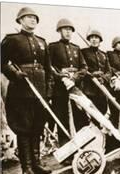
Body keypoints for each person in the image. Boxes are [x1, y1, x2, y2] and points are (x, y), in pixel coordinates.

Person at [1, 7, 52, 174]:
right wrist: (14, 74)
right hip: (21, 92)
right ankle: (27, 168)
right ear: (20, 20)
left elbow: (48, 68)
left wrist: (48, 90)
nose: (32, 20)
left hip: (40, 91)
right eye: (28, 17)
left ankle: (37, 163)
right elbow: (0, 61)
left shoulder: (42, 41)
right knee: (24, 128)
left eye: (34, 18)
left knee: (38, 126)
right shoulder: (12, 40)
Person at [49, 18, 89, 147]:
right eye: (65, 29)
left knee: (80, 116)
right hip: (60, 89)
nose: (68, 32)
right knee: (62, 117)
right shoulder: (53, 47)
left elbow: (84, 67)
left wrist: (76, 76)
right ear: (59, 31)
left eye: (70, 30)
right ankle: (67, 148)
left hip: (76, 87)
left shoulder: (76, 48)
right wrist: (60, 75)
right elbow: (49, 66)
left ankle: (84, 144)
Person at [81, 30, 111, 115]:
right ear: (89, 40)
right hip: (89, 90)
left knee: (102, 112)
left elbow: (109, 71)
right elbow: (82, 68)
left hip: (101, 90)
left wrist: (103, 78)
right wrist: (92, 74)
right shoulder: (83, 52)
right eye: (92, 38)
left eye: (96, 37)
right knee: (90, 114)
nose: (94, 39)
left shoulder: (103, 55)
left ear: (100, 40)